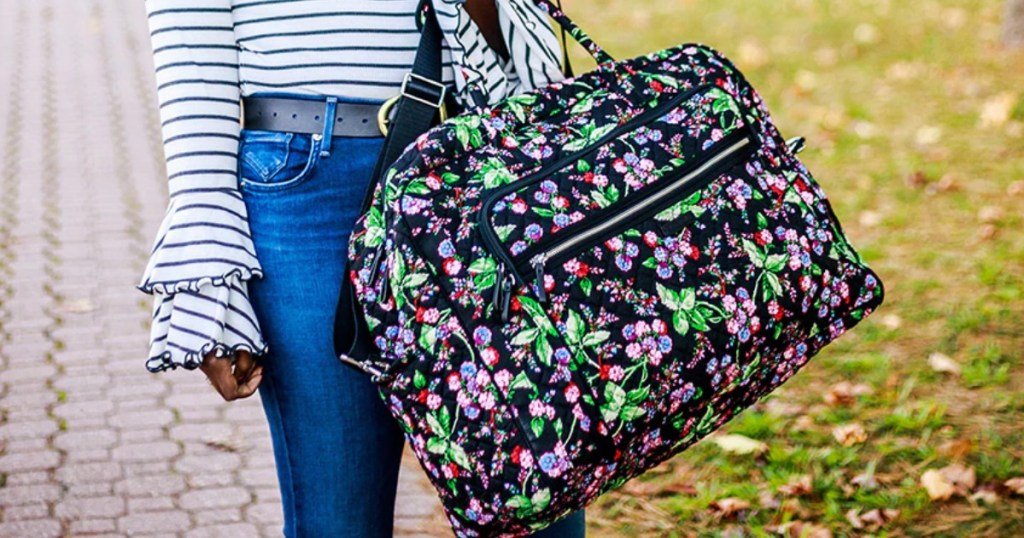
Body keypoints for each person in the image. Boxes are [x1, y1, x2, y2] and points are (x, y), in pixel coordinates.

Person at [139, 0, 586, 536]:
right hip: (308, 186)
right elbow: (190, 41)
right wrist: (212, 276)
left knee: (539, 501)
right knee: (338, 518)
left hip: (473, 162)